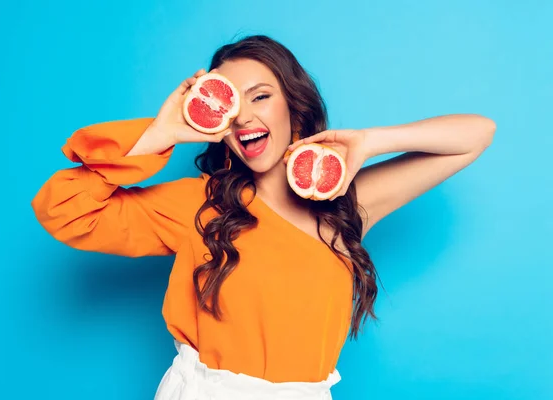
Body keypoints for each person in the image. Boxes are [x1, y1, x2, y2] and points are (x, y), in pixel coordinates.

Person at [31, 35, 496, 400]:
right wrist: (163, 132)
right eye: (228, 103)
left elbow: (475, 134)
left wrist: (369, 142)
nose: (242, 117)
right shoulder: (199, 205)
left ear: (295, 106)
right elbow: (65, 209)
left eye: (260, 96)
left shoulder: (346, 203)